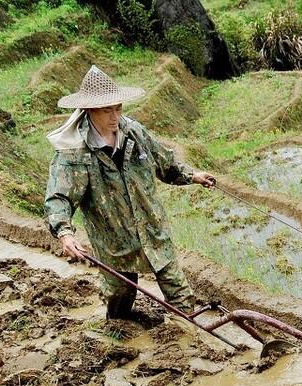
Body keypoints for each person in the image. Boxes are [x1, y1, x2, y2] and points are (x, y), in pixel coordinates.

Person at [44, 65, 216, 322]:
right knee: (120, 301)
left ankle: (188, 340)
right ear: (90, 111)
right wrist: (65, 232)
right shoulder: (74, 153)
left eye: (118, 108)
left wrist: (192, 176)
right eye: (107, 110)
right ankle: (119, 333)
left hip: (153, 231)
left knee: (180, 296)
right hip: (115, 243)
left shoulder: (133, 132)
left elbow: (164, 162)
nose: (115, 116)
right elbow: (60, 197)